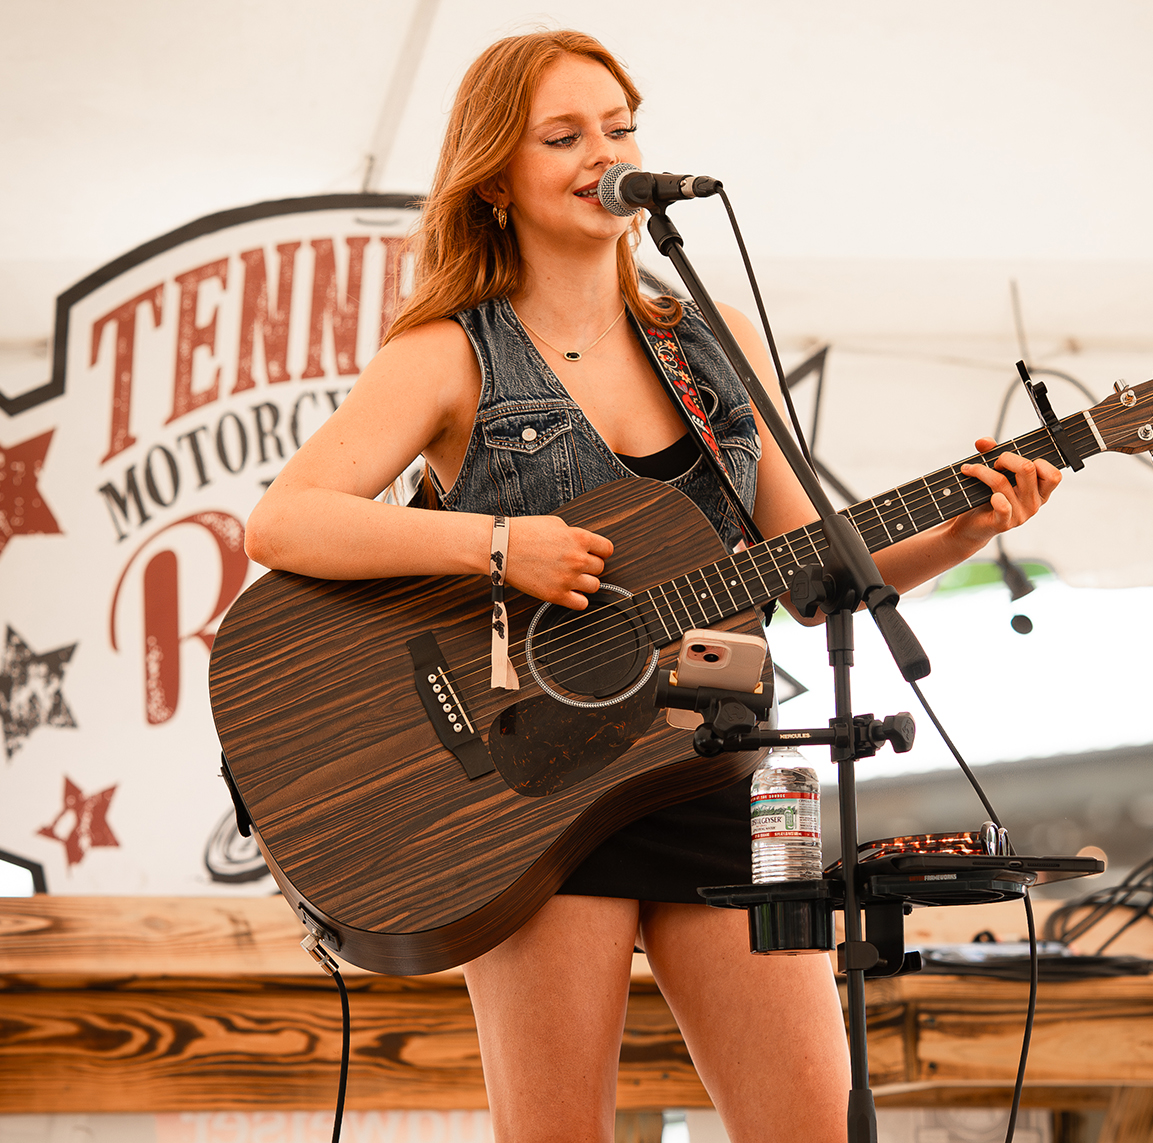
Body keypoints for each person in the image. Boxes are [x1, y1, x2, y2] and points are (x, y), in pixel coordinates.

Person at [245, 29, 1061, 1143]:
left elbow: (814, 575)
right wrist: (495, 546)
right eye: (566, 135)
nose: (605, 154)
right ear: (495, 174)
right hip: (535, 800)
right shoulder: (448, 354)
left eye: (621, 129)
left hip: (728, 778)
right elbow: (282, 521)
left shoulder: (708, 342)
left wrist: (965, 531)